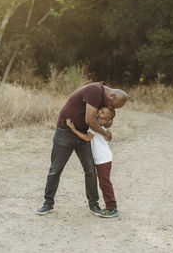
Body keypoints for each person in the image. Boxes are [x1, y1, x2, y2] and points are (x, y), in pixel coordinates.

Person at [37, 81, 127, 216]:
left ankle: (94, 205)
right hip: (65, 131)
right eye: (112, 105)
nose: (110, 107)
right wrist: (105, 133)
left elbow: (108, 119)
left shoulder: (105, 97)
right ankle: (48, 203)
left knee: (90, 171)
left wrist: (108, 123)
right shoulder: (94, 91)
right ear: (112, 96)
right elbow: (90, 120)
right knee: (56, 169)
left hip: (84, 135)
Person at [66, 107, 119, 218]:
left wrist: (73, 129)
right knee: (105, 183)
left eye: (103, 113)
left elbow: (86, 138)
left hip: (103, 160)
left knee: (105, 184)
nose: (99, 113)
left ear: (107, 119)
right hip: (104, 158)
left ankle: (112, 208)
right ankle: (111, 206)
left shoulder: (95, 127)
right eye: (99, 110)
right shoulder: (101, 127)